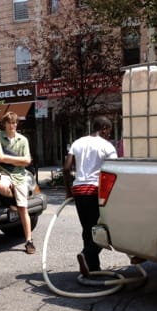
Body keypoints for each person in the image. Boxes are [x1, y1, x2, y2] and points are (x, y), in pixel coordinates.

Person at [63, 116, 117, 276]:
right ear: (104, 129)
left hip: (79, 190)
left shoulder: (77, 142)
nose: (109, 135)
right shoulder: (107, 146)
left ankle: (92, 267)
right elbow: (114, 171)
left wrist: (68, 190)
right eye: (109, 131)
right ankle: (86, 255)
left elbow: (66, 168)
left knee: (87, 229)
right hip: (95, 191)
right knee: (105, 229)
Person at [0, 111, 35, 254]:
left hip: (19, 175)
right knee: (1, 186)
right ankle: (12, 201)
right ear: (4, 124)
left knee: (23, 208)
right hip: (4, 173)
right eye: (10, 122)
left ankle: (29, 240)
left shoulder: (23, 140)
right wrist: (18, 160)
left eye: (15, 122)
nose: (13, 125)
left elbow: (27, 161)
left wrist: (5, 158)